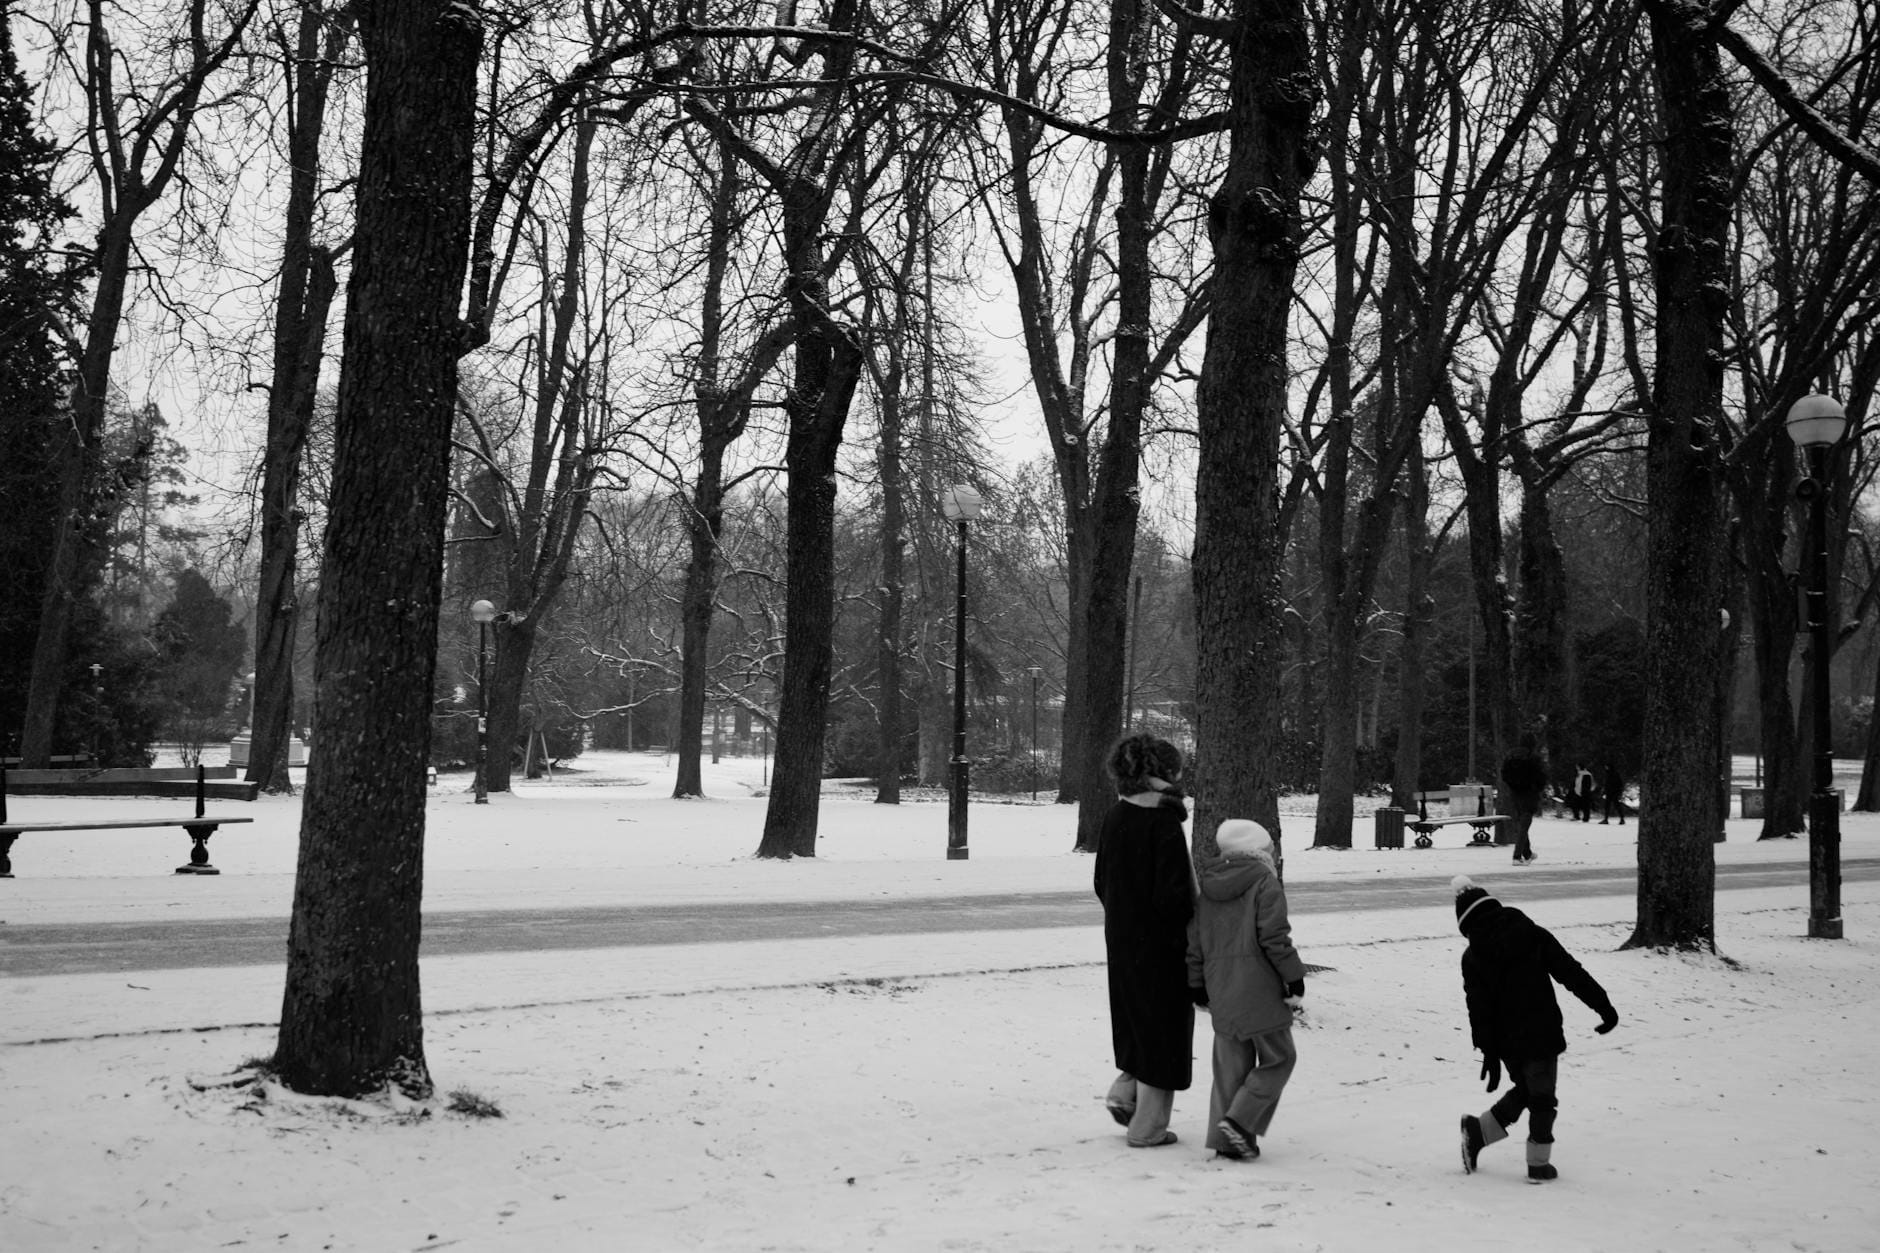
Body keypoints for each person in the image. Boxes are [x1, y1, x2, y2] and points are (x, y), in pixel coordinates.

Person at [1452, 876, 1620, 1183]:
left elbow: (1478, 1009)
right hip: (1541, 1030)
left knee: (1530, 1092)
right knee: (1541, 1098)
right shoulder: (1530, 933)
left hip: (1507, 1042)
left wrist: (1488, 1052)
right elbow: (1570, 971)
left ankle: (1478, 1132)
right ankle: (1538, 1166)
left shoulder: (1472, 956)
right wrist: (1603, 1006)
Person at [1093, 733, 1196, 1148]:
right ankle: (1148, 1127)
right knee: (1165, 1028)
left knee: (1136, 1019)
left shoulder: (1117, 815)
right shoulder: (1163, 820)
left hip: (1122, 938)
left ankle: (1125, 1092)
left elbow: (1101, 881)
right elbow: (1175, 896)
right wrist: (1187, 932)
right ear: (1163, 773)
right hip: (1162, 944)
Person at [1186, 818, 1306, 1162]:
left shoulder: (1206, 887)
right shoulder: (1265, 882)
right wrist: (1293, 976)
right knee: (1280, 1057)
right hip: (1259, 987)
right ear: (1259, 850)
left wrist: (1197, 983)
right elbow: (1274, 937)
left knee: (1229, 1067)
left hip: (1220, 986)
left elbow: (1196, 941)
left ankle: (1227, 1141)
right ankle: (1240, 1122)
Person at [1499, 737, 1547, 864]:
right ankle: (1517, 856)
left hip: (1514, 792)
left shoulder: (1510, 756)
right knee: (1524, 824)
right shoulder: (1533, 758)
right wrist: (1537, 788)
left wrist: (1512, 785)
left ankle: (1527, 853)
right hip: (1529, 793)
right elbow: (1541, 776)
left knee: (1521, 822)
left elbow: (1503, 773)